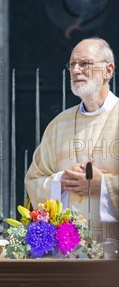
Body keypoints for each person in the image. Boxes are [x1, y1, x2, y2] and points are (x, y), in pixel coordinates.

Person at [25, 38, 118, 241]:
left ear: (108, 71)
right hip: (70, 253)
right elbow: (34, 180)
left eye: (84, 64)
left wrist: (103, 186)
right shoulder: (59, 125)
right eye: (72, 65)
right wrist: (61, 181)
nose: (75, 70)